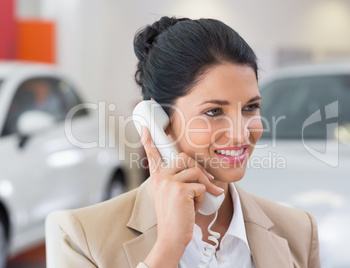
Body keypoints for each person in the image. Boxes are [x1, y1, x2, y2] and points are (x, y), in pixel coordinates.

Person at [58, 16, 320, 268]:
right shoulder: (84, 238)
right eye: (214, 112)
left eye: (250, 107)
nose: (241, 134)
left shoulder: (299, 231)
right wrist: (169, 247)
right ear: (159, 121)